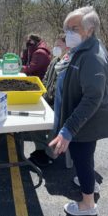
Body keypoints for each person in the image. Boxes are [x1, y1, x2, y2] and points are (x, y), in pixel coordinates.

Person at [48, 6, 108, 216]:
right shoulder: (81, 50)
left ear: (89, 29)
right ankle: (90, 184)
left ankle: (87, 204)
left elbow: (93, 97)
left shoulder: (93, 56)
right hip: (81, 118)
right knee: (85, 157)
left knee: (81, 158)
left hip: (86, 120)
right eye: (66, 28)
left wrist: (68, 129)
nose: (68, 32)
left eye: (73, 28)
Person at [28, 34, 68, 167]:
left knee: (54, 123)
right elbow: (45, 79)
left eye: (59, 45)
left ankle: (50, 155)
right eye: (55, 45)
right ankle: (40, 149)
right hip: (47, 99)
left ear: (68, 47)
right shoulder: (55, 61)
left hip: (60, 105)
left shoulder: (69, 64)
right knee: (33, 118)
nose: (55, 48)